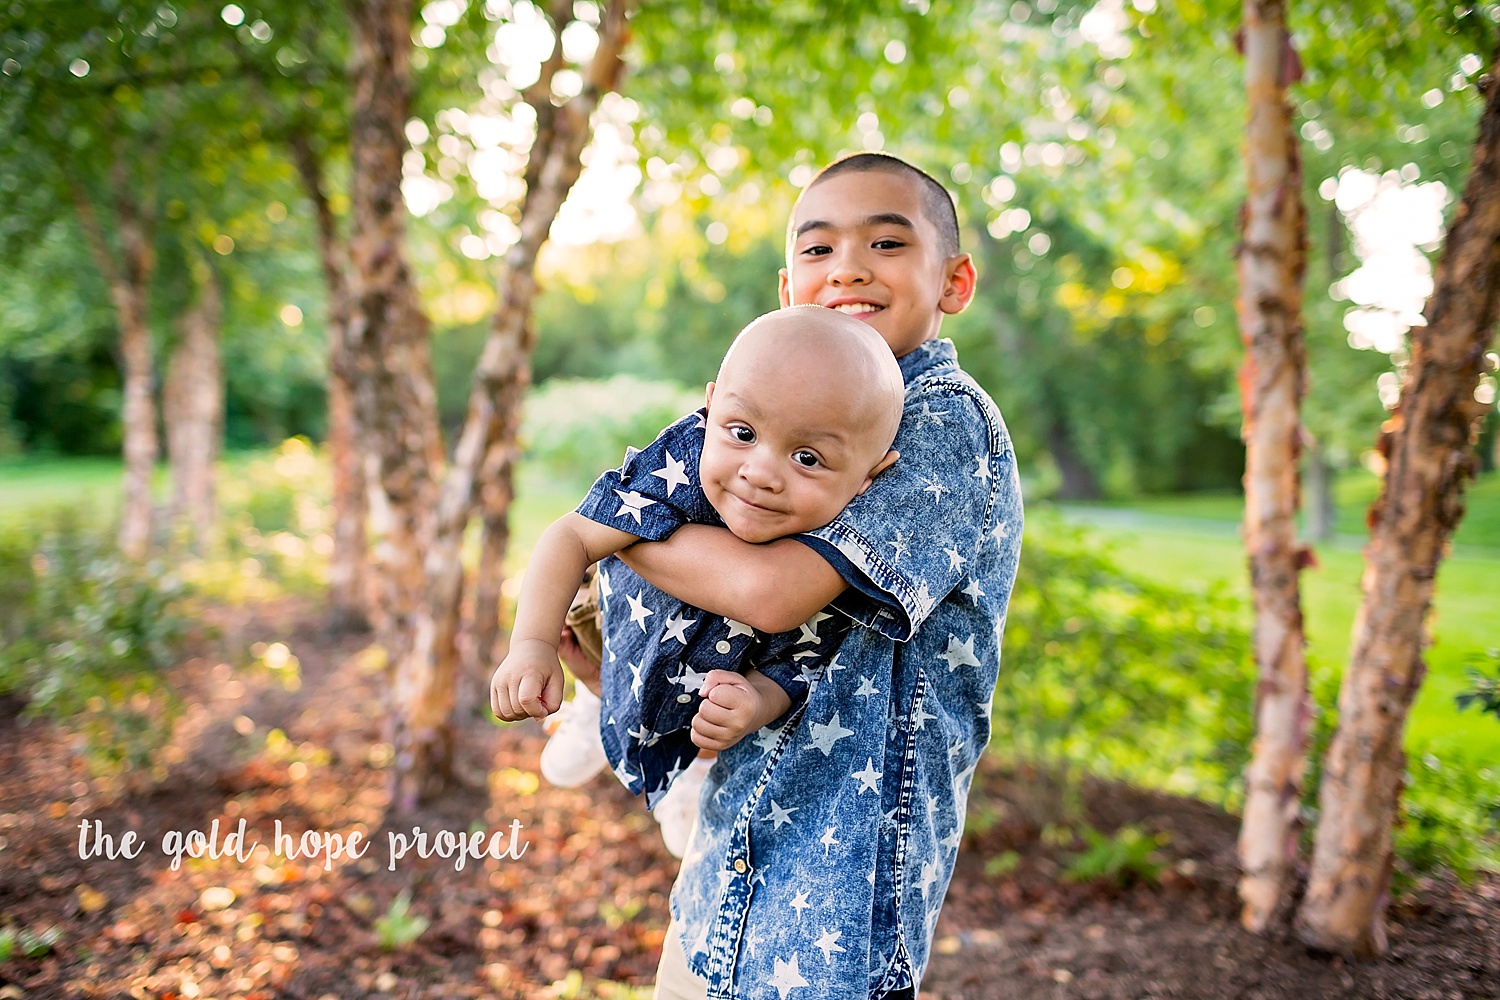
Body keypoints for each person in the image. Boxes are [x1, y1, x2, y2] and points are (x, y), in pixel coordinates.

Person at [616, 153, 1024, 1000]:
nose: (847, 267)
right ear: (786, 285)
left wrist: (613, 527)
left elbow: (773, 590)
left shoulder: (942, 423)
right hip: (733, 848)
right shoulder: (782, 408)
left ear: (954, 281)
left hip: (840, 883)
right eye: (818, 249)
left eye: (885, 242)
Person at [490, 305, 907, 854]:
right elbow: (571, 535)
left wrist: (757, 701)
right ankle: (597, 700)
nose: (759, 472)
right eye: (742, 432)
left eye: (806, 458)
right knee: (589, 615)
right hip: (610, 624)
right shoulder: (684, 459)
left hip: (698, 686)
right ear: (710, 407)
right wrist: (532, 645)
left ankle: (683, 773)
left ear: (869, 475)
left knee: (716, 713)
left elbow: (805, 658)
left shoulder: (839, 547)